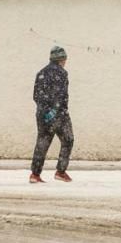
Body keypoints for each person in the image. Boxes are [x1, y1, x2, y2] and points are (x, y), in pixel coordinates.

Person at [30, 46, 74, 183]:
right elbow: (61, 95)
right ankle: (60, 172)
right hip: (59, 114)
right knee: (68, 140)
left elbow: (36, 95)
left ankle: (35, 174)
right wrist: (55, 111)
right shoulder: (61, 73)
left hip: (42, 114)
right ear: (62, 59)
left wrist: (44, 111)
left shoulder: (41, 73)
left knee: (42, 142)